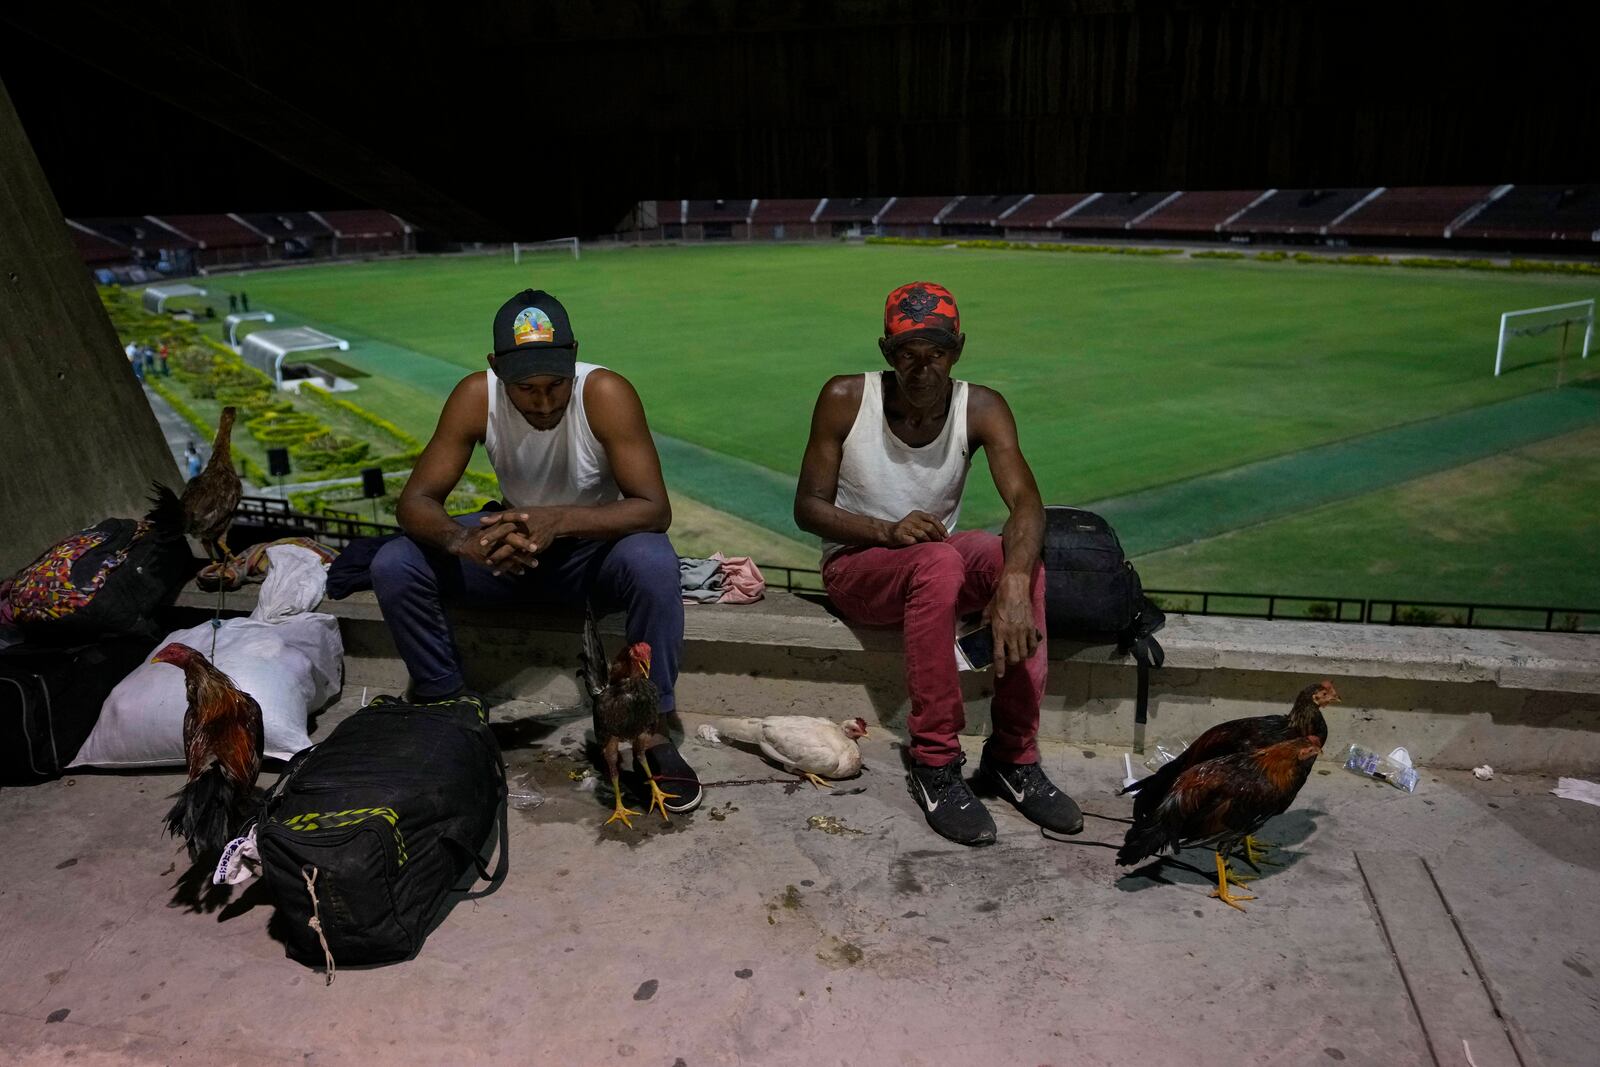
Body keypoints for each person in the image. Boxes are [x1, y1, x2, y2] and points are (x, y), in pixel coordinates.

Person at [371, 289, 700, 812]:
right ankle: (447, 707)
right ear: (495, 367)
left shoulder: (605, 392)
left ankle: (649, 729)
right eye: (526, 388)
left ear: (574, 357)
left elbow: (652, 510)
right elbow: (415, 502)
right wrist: (465, 541)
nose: (544, 403)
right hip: (514, 553)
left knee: (654, 560)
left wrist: (561, 520)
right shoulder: (476, 396)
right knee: (394, 563)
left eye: (556, 385)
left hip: (590, 553)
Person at [793, 281, 1080, 846]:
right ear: (886, 352)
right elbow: (807, 508)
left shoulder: (983, 406)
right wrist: (885, 530)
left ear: (958, 348)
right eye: (907, 355)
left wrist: (1015, 581)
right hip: (858, 565)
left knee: (1015, 562)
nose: (923, 370)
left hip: (930, 559)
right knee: (939, 564)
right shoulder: (847, 397)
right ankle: (935, 764)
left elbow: (1026, 504)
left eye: (937, 354)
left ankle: (1012, 757)